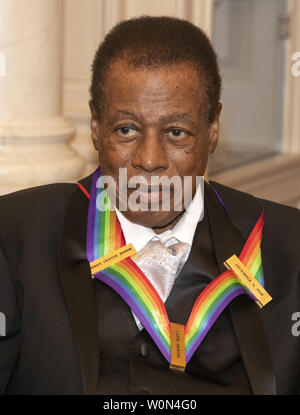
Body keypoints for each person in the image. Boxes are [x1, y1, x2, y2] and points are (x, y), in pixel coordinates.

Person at [0, 16, 299, 395]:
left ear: (212, 130)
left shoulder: (287, 247)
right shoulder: (14, 239)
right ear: (95, 125)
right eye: (127, 129)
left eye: (176, 132)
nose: (150, 159)